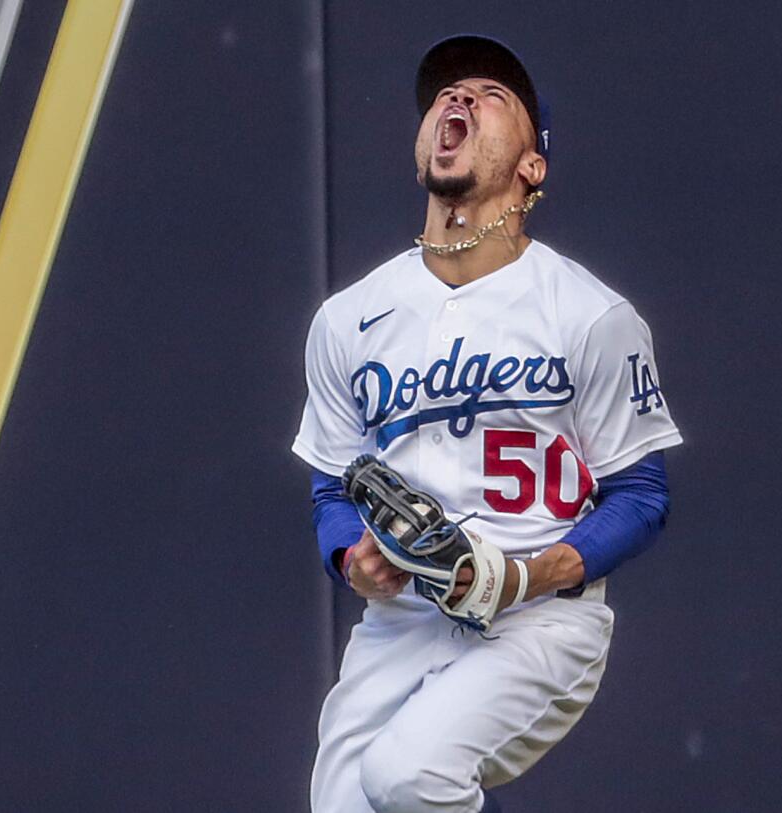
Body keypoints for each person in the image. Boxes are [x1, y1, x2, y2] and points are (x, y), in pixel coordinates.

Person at [292, 34, 682, 813]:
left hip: (538, 619)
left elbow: (641, 494)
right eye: (445, 95)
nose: (458, 100)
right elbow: (332, 487)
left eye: (490, 96)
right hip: (403, 615)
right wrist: (349, 559)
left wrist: (530, 574)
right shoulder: (348, 319)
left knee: (408, 774)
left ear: (532, 166)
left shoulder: (589, 314)